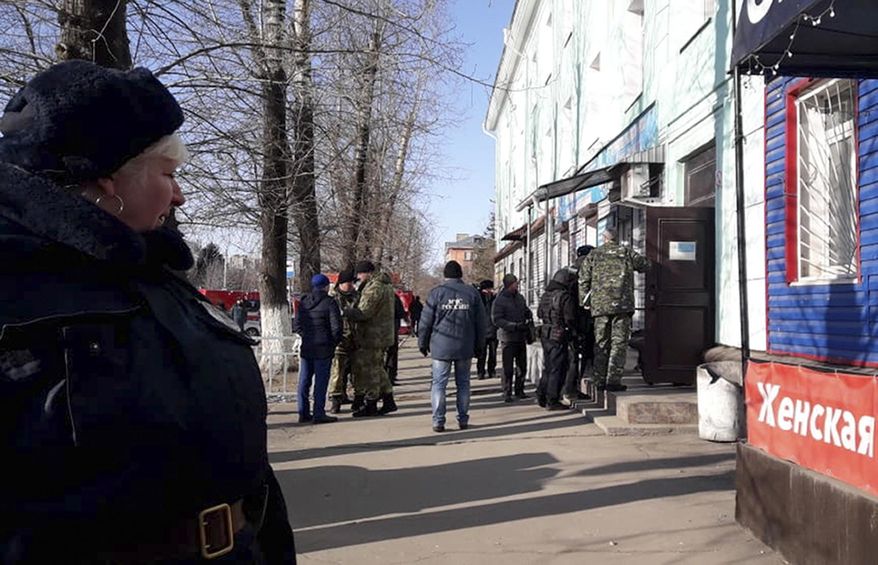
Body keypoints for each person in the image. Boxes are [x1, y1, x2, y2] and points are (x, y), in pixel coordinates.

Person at [0, 61, 295, 563]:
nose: (179, 194)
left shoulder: (159, 278)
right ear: (109, 179)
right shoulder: (16, 287)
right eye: (168, 174)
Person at [418, 261, 486, 432]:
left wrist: (423, 343)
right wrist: (480, 345)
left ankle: (438, 421)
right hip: (465, 345)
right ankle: (463, 419)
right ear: (460, 274)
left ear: (445, 275)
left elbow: (425, 322)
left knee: (439, 384)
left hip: (441, 347)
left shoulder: (437, 293)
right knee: (463, 383)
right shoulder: (472, 293)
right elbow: (481, 323)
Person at [579, 228, 650, 392]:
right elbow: (645, 265)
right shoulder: (626, 252)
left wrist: (585, 302)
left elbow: (583, 279)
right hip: (621, 306)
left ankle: (599, 380)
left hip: (600, 308)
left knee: (601, 343)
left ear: (604, 239)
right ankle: (613, 380)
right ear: (616, 239)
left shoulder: (594, 255)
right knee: (619, 343)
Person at [345, 260, 397, 417]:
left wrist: (346, 311)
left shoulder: (374, 288)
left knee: (371, 370)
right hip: (382, 333)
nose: (359, 277)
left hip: (373, 335)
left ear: (368, 272)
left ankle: (371, 403)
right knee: (379, 368)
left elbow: (364, 312)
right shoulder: (386, 285)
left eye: (360, 274)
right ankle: (388, 400)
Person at [293, 273, 343, 424]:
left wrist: (307, 336)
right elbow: (336, 327)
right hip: (323, 347)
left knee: (304, 381)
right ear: (326, 286)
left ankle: (303, 412)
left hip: (307, 346)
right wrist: (332, 342)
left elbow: (297, 325)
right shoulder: (330, 302)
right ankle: (319, 413)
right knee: (321, 382)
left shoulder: (303, 302)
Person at [537, 269, 579, 410]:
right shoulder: (564, 297)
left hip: (545, 333)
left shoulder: (545, 295)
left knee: (547, 367)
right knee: (557, 368)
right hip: (558, 334)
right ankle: (552, 400)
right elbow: (570, 318)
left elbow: (539, 313)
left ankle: (541, 396)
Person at [492, 273, 534, 402]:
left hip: (520, 336)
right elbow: (496, 320)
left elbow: (525, 310)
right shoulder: (499, 300)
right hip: (507, 338)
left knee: (522, 366)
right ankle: (507, 392)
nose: (518, 285)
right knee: (508, 368)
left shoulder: (520, 298)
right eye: (516, 283)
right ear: (510, 285)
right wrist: (513, 326)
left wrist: (528, 315)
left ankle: (519, 390)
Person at [562, 245, 595, 406]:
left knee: (573, 358)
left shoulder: (568, 271)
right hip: (584, 320)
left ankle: (570, 389)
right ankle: (573, 390)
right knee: (582, 357)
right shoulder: (587, 270)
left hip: (571, 321)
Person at [329, 269, 358, 414]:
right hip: (339, 340)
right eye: (349, 283)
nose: (352, 285)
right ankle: (335, 399)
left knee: (353, 371)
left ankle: (350, 396)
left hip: (354, 339)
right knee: (338, 372)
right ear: (341, 283)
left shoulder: (355, 296)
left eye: (352, 282)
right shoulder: (333, 298)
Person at [476, 279, 498, 380]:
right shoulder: (486, 297)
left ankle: (481, 372)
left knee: (484, 353)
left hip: (485, 330)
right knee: (490, 353)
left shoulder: (477, 297)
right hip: (490, 329)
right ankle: (490, 371)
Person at [384, 292, 407, 385]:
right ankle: (391, 377)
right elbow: (401, 313)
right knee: (392, 354)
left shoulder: (372, 293)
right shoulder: (393, 296)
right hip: (392, 328)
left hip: (378, 331)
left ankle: (383, 378)